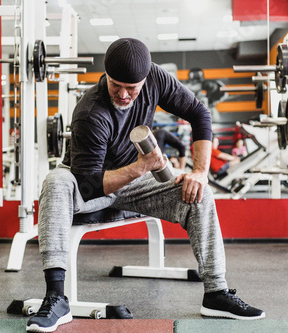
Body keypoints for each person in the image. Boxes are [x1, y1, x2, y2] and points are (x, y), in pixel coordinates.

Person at [27, 38, 265, 333]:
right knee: (55, 180)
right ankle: (56, 298)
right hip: (87, 183)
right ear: (106, 75)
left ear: (144, 80)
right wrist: (141, 167)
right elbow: (89, 186)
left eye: (132, 88)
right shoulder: (91, 111)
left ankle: (216, 293)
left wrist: (200, 172)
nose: (125, 95)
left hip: (134, 183)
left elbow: (199, 114)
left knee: (198, 194)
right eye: (117, 86)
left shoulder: (155, 78)